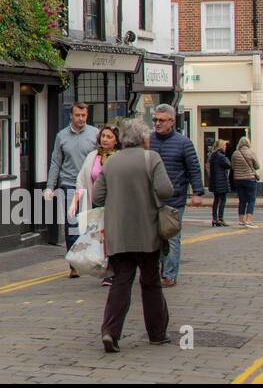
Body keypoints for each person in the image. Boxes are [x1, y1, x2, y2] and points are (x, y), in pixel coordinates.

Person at [92, 117, 173, 353]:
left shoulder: (112, 162)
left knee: (120, 282)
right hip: (147, 231)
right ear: (144, 139)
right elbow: (166, 190)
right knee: (150, 283)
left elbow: (97, 198)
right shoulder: (152, 158)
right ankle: (157, 333)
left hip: (118, 234)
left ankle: (110, 332)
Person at [148, 104, 204, 287]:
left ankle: (169, 274)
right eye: (155, 119)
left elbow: (194, 169)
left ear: (171, 121)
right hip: (150, 198)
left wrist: (197, 192)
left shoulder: (183, 143)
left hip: (174, 199)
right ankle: (153, 273)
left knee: (172, 237)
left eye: (161, 120)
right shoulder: (148, 141)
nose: (157, 123)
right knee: (153, 238)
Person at [46, 102, 99, 277]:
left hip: (90, 184)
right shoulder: (61, 136)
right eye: (78, 115)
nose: (81, 119)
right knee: (72, 226)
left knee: (92, 224)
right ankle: (74, 265)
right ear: (71, 115)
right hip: (69, 184)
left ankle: (92, 259)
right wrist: (49, 186)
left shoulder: (95, 134)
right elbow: (56, 162)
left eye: (84, 115)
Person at [69, 123, 120, 286]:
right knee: (101, 238)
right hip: (96, 203)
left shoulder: (119, 157)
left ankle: (114, 271)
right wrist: (76, 200)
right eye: (103, 136)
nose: (105, 140)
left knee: (114, 238)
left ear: (116, 141)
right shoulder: (93, 156)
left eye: (109, 137)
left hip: (116, 205)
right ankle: (106, 269)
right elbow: (82, 179)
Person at [232, 136, 261, 228]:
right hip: (250, 179)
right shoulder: (251, 153)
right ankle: (249, 219)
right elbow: (257, 166)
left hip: (238, 179)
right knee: (251, 200)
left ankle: (241, 219)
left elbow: (233, 166)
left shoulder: (235, 153)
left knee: (242, 200)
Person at [207, 140, 232, 227]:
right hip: (221, 181)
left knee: (216, 200)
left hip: (214, 181)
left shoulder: (213, 155)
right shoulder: (221, 156)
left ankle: (214, 218)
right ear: (221, 146)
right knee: (223, 200)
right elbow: (229, 165)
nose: (225, 148)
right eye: (224, 146)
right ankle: (220, 218)